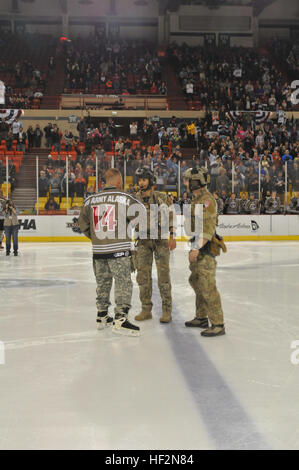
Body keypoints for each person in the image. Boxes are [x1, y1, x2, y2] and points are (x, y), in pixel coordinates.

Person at [78, 168, 145, 336]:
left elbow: (83, 224)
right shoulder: (125, 198)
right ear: (118, 181)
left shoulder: (90, 200)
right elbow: (142, 214)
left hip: (99, 250)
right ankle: (121, 319)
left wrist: (95, 238)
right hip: (118, 249)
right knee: (123, 283)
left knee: (103, 283)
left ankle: (102, 316)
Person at [183, 167, 226, 337]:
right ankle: (201, 317)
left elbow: (208, 230)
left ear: (194, 182)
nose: (185, 184)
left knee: (207, 285)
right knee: (196, 280)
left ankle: (218, 323)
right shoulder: (197, 199)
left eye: (187, 180)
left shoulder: (206, 200)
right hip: (197, 246)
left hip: (205, 249)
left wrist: (196, 248)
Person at [134, 166, 176, 324]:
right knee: (143, 277)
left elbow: (171, 215)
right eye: (139, 180)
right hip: (143, 242)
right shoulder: (135, 198)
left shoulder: (161, 197)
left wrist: (173, 235)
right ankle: (146, 309)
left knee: (163, 277)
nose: (141, 182)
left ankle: (167, 310)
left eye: (144, 179)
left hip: (160, 241)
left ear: (150, 181)